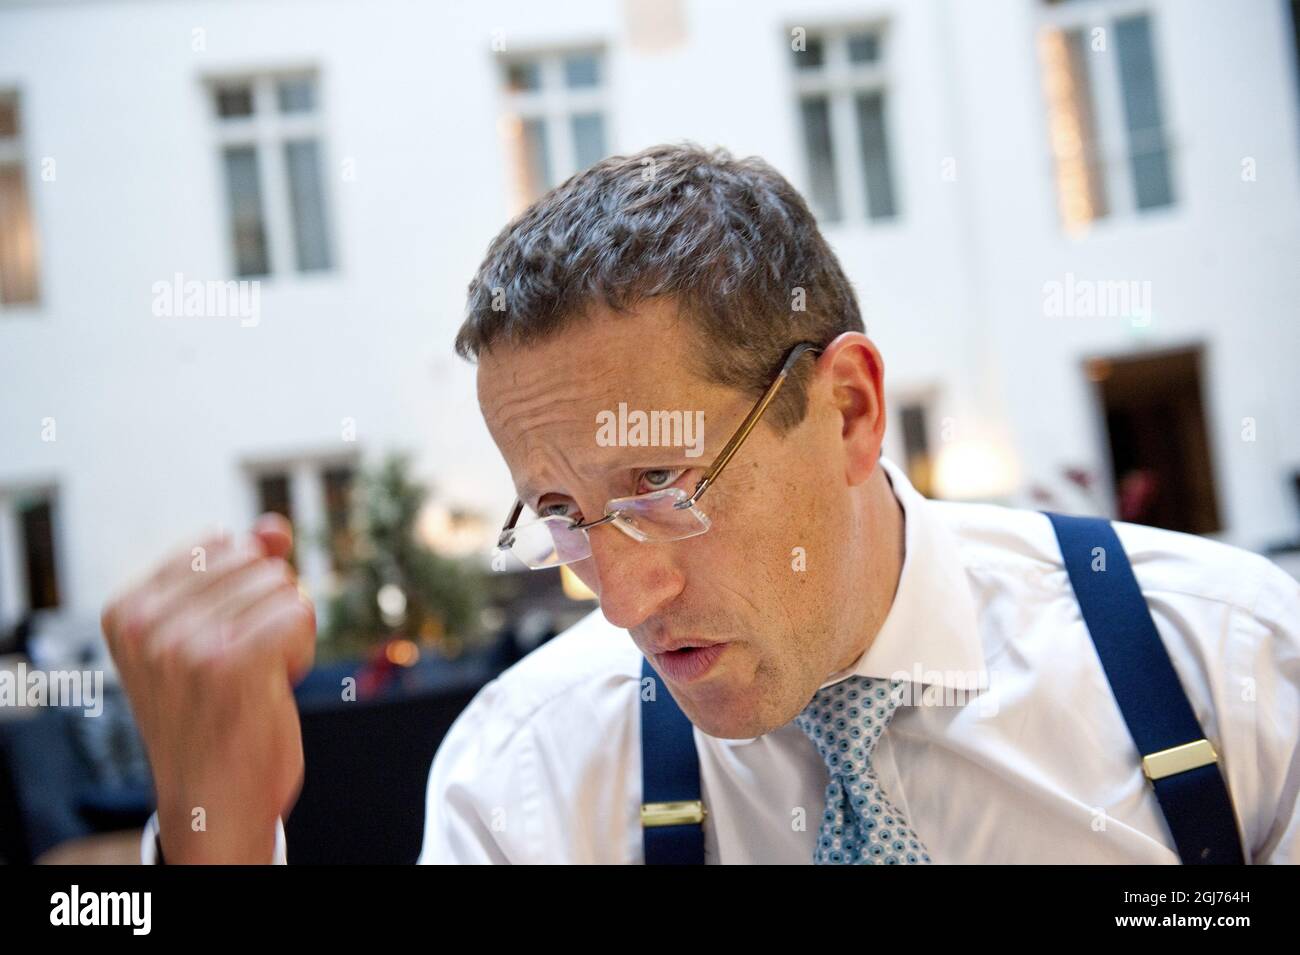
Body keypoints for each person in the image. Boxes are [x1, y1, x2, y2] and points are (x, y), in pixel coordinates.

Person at [102, 144, 1300, 864]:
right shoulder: (529, 778)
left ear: (845, 408)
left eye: (661, 487)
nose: (618, 595)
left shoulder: (1226, 666)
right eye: (561, 511)